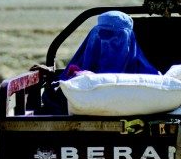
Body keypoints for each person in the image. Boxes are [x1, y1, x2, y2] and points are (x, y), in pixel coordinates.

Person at [31, 10, 159, 114]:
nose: (108, 41)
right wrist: (54, 76)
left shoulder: (144, 73)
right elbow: (64, 86)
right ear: (93, 35)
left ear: (129, 39)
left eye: (117, 37)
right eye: (103, 34)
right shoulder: (81, 66)